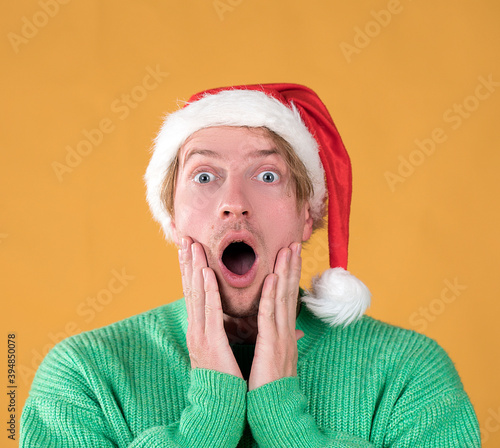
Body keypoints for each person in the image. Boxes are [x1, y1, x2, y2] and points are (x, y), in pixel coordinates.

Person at [20, 84, 480, 447]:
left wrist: (282, 416)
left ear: (308, 214)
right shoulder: (84, 374)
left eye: (266, 176)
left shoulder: (408, 372)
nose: (233, 204)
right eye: (204, 176)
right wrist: (209, 414)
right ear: (173, 217)